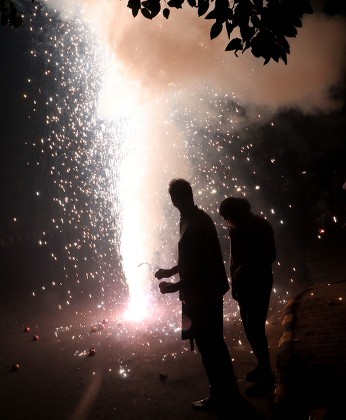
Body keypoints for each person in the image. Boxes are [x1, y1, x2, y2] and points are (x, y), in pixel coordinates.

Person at [155, 178, 240, 412]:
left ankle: (222, 395)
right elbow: (189, 259)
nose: (173, 202)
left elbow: (201, 267)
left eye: (174, 198)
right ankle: (227, 391)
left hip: (205, 294)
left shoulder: (197, 222)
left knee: (210, 345)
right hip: (199, 293)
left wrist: (174, 286)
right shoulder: (188, 219)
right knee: (211, 344)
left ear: (177, 199)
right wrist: (170, 271)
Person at [219, 197, 276, 397]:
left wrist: (245, 269)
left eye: (227, 217)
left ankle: (267, 375)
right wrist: (234, 280)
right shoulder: (236, 228)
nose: (227, 222)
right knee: (251, 328)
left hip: (257, 284)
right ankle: (262, 366)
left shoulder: (259, 226)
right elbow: (234, 259)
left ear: (237, 214)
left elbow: (269, 256)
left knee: (255, 328)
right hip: (244, 285)